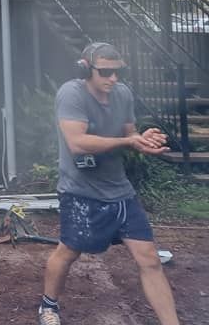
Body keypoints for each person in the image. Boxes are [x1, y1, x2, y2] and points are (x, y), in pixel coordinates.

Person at [37, 42, 179, 325]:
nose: (113, 79)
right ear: (86, 69)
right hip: (80, 191)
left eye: (117, 72)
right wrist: (128, 141)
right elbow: (77, 143)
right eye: (105, 72)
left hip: (120, 191)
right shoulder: (71, 94)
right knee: (68, 251)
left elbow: (129, 132)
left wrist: (142, 140)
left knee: (149, 258)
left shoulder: (122, 94)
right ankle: (48, 306)